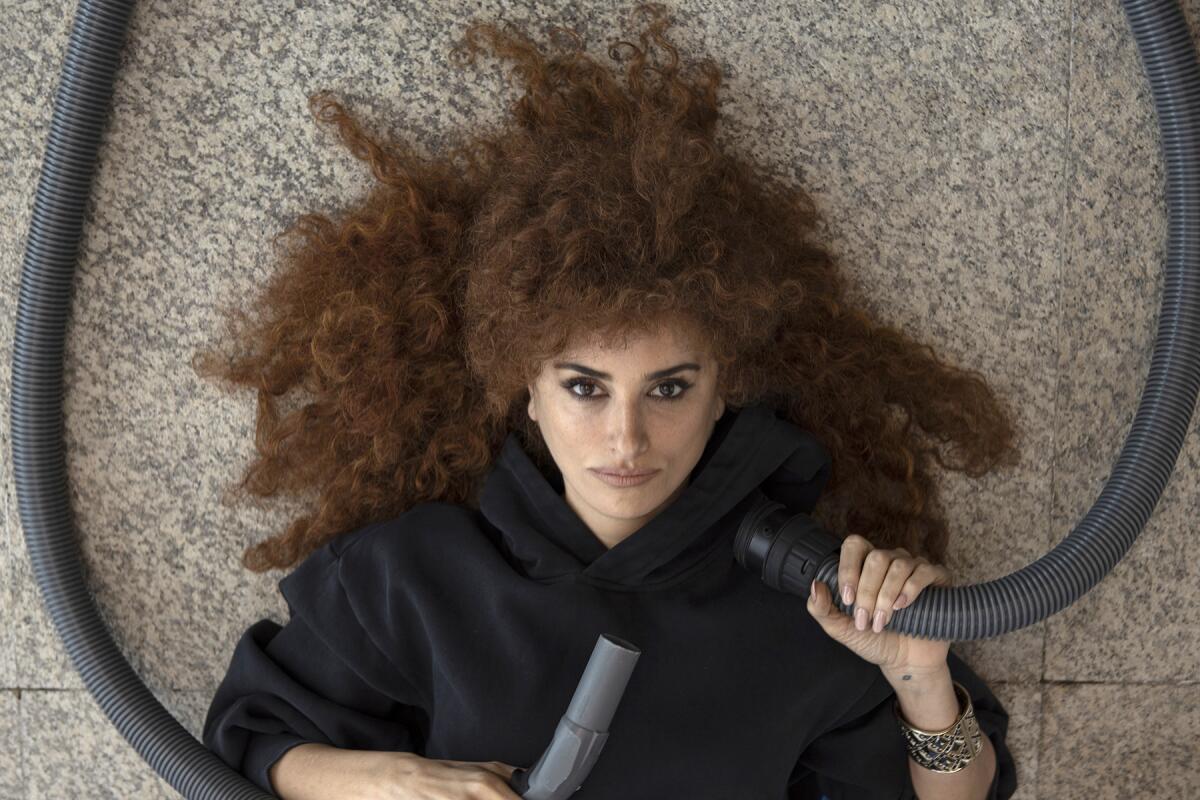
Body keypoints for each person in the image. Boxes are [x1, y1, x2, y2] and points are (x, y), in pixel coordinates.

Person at [197, 4, 1021, 798]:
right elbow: (250, 743)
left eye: (669, 387)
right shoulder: (413, 580)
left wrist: (920, 680)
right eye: (584, 387)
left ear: (724, 383)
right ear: (526, 383)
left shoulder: (812, 611)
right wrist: (392, 781)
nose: (624, 437)